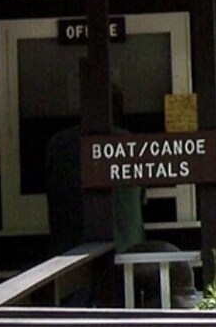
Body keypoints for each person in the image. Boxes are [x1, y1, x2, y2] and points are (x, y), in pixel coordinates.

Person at [45, 84, 145, 256]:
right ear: (118, 108)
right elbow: (140, 197)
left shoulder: (58, 145)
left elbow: (53, 193)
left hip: (70, 254)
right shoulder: (130, 143)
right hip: (126, 251)